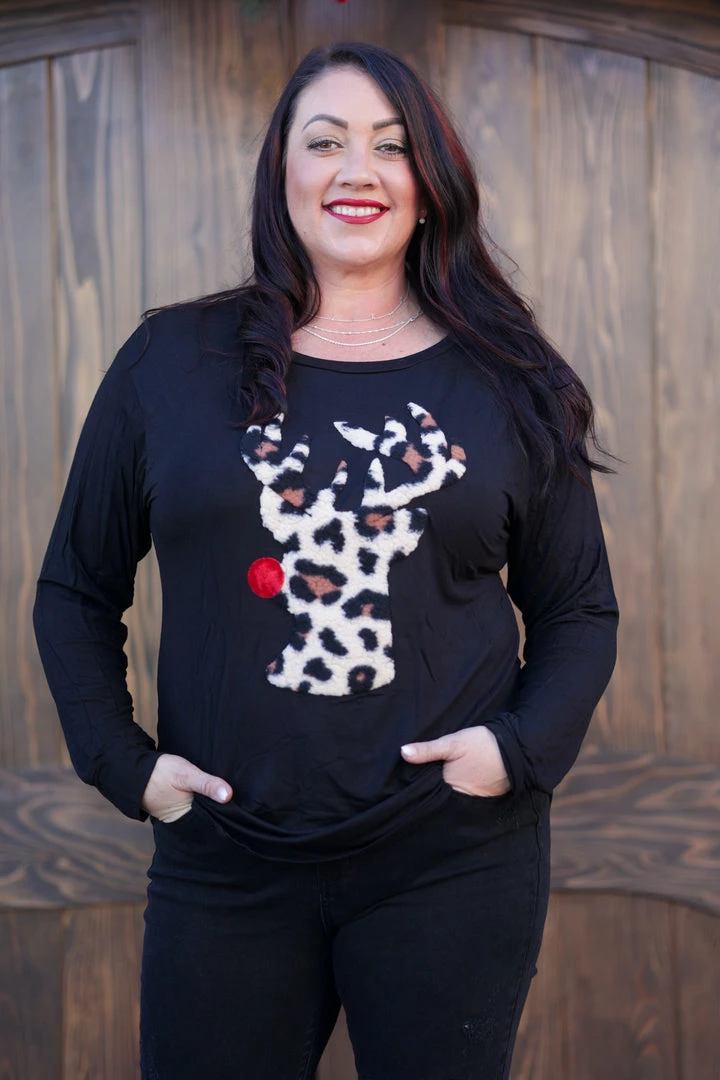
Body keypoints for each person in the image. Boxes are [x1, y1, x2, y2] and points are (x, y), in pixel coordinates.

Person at [34, 41, 618, 1080]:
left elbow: (578, 609)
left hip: (451, 862)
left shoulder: (506, 378)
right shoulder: (172, 363)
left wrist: (517, 753)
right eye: (326, 141)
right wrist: (125, 767)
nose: (359, 171)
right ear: (282, 173)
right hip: (226, 864)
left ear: (430, 185)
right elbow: (75, 590)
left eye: (392, 147)